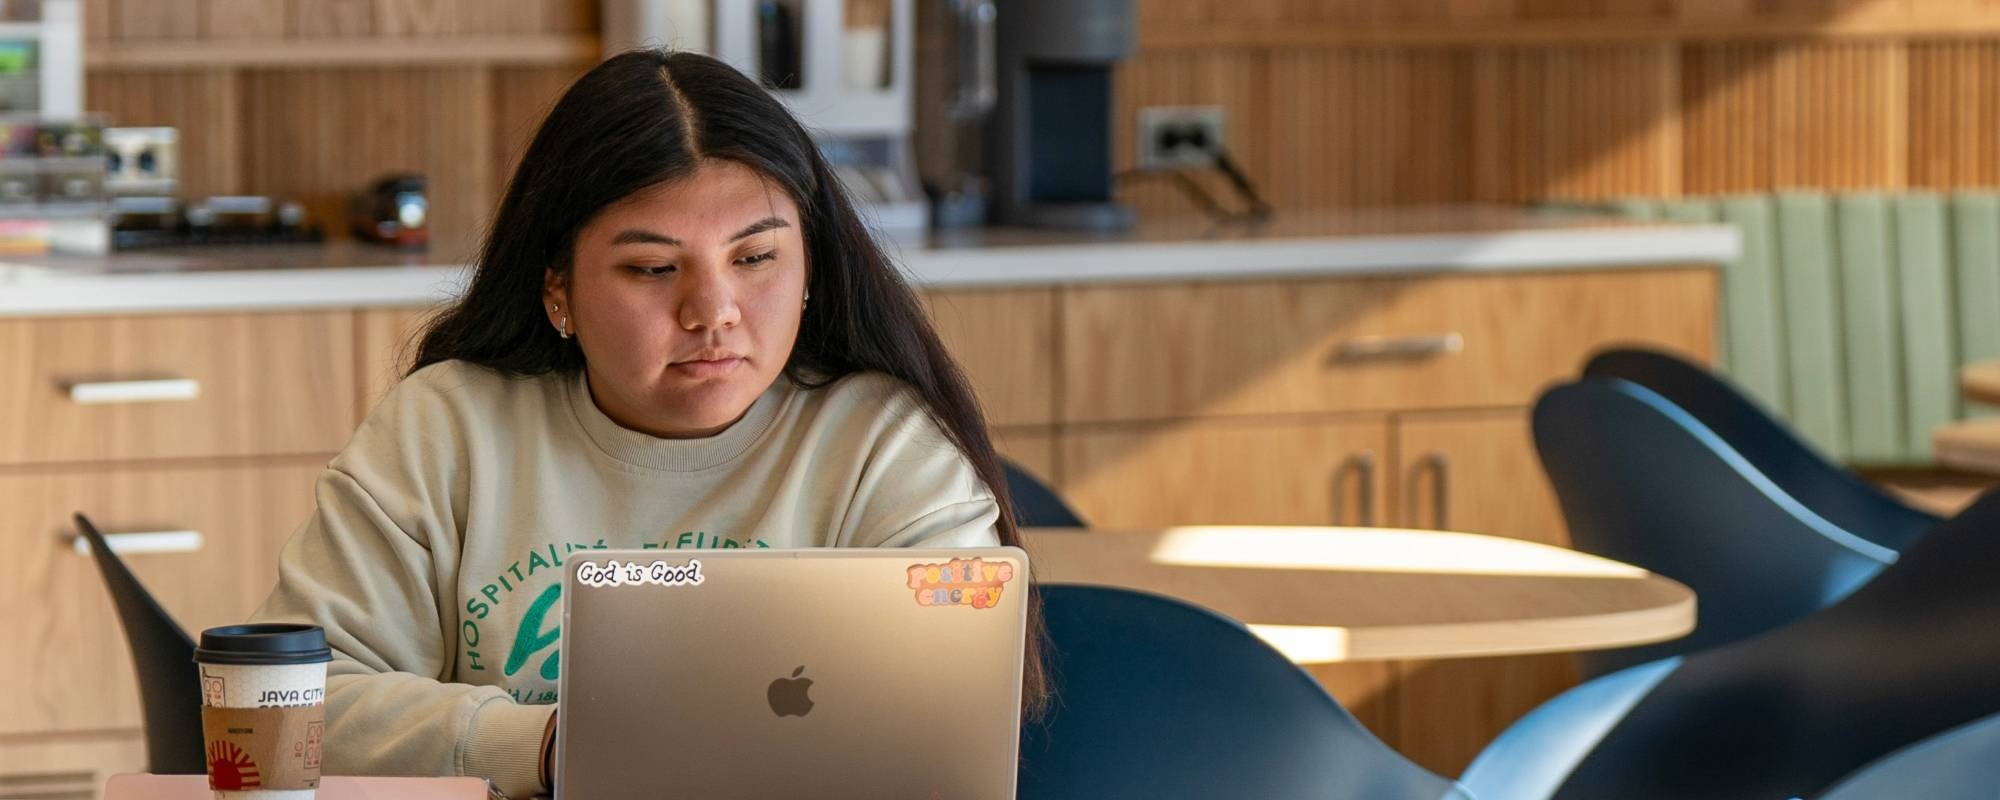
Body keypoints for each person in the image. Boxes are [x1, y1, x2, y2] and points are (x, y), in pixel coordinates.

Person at [250, 49, 1045, 799]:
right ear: (557, 287)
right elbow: (290, 708)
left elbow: (950, 732)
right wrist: (555, 747)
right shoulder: (444, 429)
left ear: (811, 270)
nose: (714, 313)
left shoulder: (884, 445)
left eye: (755, 259)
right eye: (653, 269)